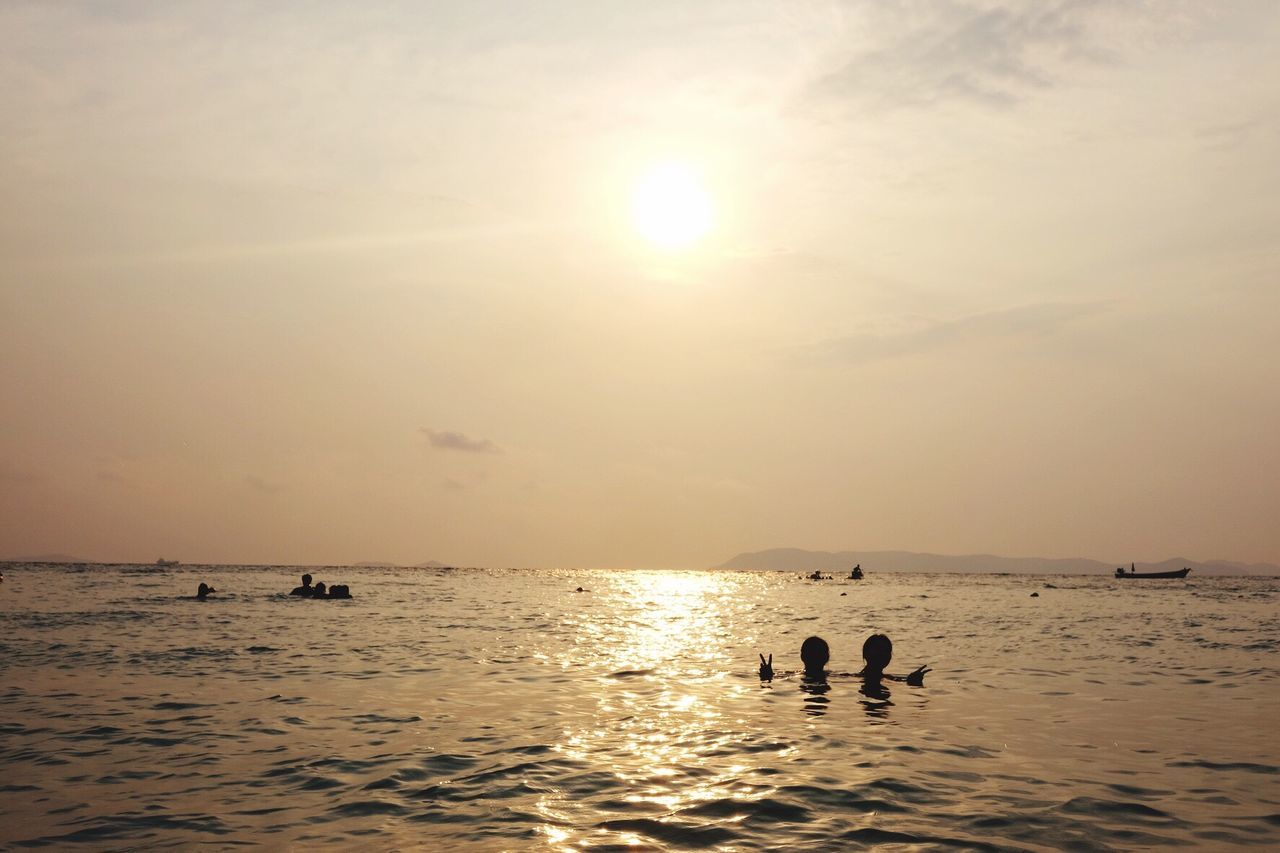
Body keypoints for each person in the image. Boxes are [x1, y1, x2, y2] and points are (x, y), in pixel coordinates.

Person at [857, 633, 929, 686]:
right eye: (878, 649)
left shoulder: (890, 678)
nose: (883, 654)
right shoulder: (889, 679)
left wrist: (912, 679)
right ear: (866, 654)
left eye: (886, 651)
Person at [758, 635, 830, 681]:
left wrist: (769, 676)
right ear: (827, 657)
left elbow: (778, 677)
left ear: (802, 656)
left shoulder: (795, 675)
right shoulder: (834, 676)